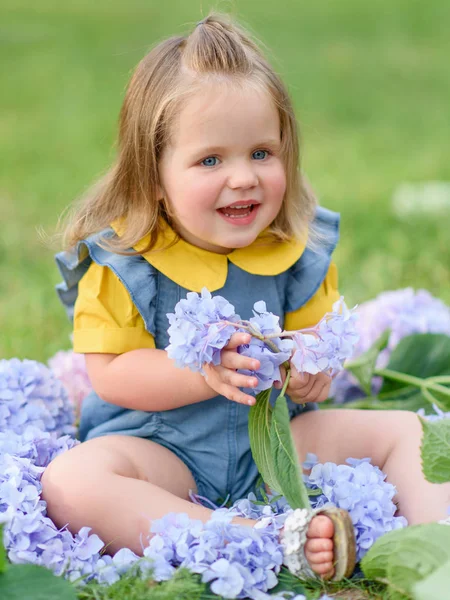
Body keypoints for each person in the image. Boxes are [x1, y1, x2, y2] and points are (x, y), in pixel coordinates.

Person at [42, 13, 450, 582]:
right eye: (211, 160)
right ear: (154, 179)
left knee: (410, 431)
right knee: (71, 482)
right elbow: (110, 372)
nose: (244, 178)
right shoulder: (126, 263)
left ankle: (434, 552)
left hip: (277, 439)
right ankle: (258, 540)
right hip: (162, 450)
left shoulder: (295, 249)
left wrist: (312, 369)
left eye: (262, 153)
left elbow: (316, 337)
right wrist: (199, 373)